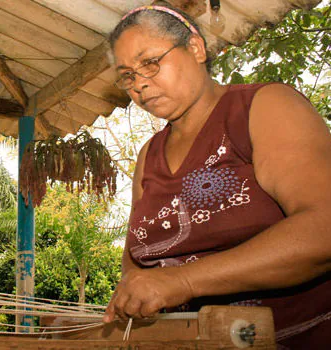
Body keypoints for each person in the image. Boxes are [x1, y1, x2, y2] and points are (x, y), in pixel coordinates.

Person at [102, 3, 331, 348]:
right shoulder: (149, 155)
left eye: (150, 63)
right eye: (128, 76)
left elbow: (323, 228)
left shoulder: (262, 108)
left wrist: (184, 282)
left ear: (195, 47)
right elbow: (135, 266)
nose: (140, 85)